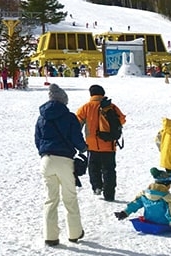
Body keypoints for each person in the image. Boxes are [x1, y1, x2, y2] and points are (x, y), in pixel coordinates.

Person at [35, 84, 87, 246]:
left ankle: (50, 236)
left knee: (50, 199)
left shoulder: (42, 117)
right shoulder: (69, 117)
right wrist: (83, 148)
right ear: (64, 99)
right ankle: (74, 233)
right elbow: (76, 138)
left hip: (46, 160)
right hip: (65, 160)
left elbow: (37, 140)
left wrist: (44, 153)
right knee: (69, 198)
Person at [75, 84, 126, 201]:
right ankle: (109, 194)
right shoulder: (111, 106)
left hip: (91, 145)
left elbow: (77, 124)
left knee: (93, 167)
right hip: (109, 144)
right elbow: (122, 120)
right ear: (102, 94)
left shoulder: (85, 107)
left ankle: (97, 186)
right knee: (109, 170)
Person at [114, 168, 171, 237]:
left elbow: (135, 203)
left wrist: (125, 212)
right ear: (166, 184)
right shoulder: (166, 196)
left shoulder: (145, 194)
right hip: (165, 221)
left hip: (149, 219)